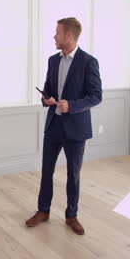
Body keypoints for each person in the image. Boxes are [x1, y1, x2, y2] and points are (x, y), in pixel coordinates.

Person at [25, 17, 102, 235]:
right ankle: (43, 211)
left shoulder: (89, 62)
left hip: (76, 128)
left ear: (68, 36)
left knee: (73, 174)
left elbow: (96, 96)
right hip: (53, 125)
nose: (54, 37)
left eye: (57, 33)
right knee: (46, 170)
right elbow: (48, 89)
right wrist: (46, 99)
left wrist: (72, 106)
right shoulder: (52, 60)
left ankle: (71, 215)